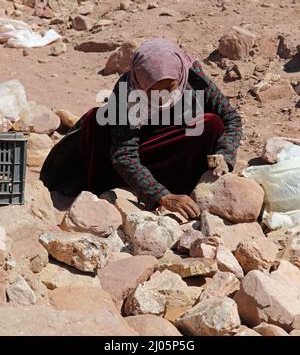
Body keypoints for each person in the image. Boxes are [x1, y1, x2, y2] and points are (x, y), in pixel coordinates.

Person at [40, 38, 242, 220]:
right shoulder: (126, 90)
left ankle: (183, 186)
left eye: (170, 87)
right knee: (97, 120)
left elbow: (231, 118)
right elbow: (123, 153)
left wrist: (226, 154)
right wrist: (161, 195)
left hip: (173, 150)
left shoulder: (193, 78)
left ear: (180, 76)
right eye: (154, 90)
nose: (162, 96)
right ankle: (110, 191)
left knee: (211, 123)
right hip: (134, 154)